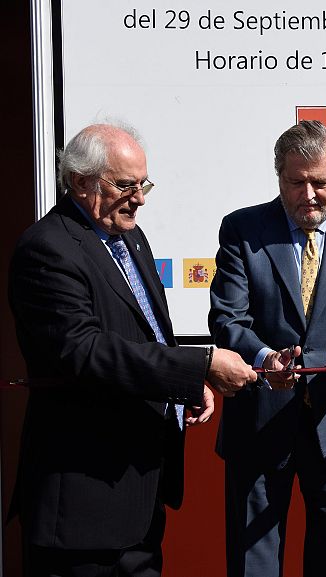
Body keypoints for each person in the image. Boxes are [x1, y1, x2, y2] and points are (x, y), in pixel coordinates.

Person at [7, 123, 257, 576]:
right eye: (125, 185)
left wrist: (183, 386)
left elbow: (147, 335)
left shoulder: (129, 238)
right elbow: (85, 351)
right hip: (82, 503)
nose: (139, 198)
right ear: (80, 182)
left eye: (144, 185)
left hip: (138, 494)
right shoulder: (48, 249)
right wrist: (199, 365)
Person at [208, 120, 326, 577]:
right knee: (253, 565)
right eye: (296, 182)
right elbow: (227, 319)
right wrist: (264, 359)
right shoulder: (242, 229)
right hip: (259, 424)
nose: (309, 195)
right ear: (279, 177)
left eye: (321, 183)